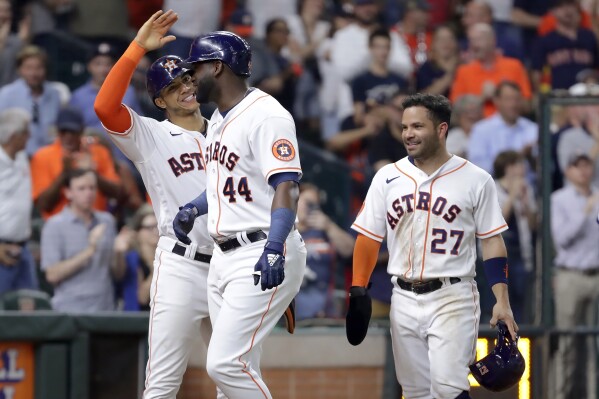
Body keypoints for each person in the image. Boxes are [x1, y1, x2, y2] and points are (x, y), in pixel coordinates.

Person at [346, 93, 518, 398]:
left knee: (448, 386)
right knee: (414, 392)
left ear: (441, 129)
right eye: (404, 127)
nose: (408, 134)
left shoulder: (475, 179)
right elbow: (369, 237)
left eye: (417, 126)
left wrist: (501, 301)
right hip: (402, 296)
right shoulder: (387, 176)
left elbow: (492, 242)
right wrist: (359, 288)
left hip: (452, 295)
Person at [173, 30, 307, 398]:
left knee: (224, 364)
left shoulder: (266, 115)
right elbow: (226, 183)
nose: (189, 78)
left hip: (260, 249)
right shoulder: (217, 117)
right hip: (224, 256)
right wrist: (193, 208)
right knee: (234, 372)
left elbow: (287, 185)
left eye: (194, 68)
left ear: (217, 67)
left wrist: (276, 247)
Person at [93, 10, 216, 399]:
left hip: (230, 264)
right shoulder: (150, 135)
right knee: (162, 382)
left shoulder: (228, 131)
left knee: (235, 376)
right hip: (181, 264)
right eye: (174, 86)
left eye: (188, 79)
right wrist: (135, 50)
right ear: (160, 100)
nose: (185, 88)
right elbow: (105, 108)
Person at [551, 152, 599, 399]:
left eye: (586, 166)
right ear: (568, 171)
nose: (583, 171)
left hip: (596, 275)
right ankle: (559, 396)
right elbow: (562, 239)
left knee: (595, 346)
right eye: (576, 166)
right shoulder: (559, 199)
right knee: (567, 343)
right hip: (570, 276)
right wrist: (585, 212)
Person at [40, 169, 122, 312]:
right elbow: (52, 275)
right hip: (70, 310)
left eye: (92, 188)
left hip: (105, 308)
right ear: (68, 192)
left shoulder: (107, 221)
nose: (88, 193)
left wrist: (119, 253)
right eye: (81, 188)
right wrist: (90, 250)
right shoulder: (54, 225)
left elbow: (118, 274)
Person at [30, 106, 123, 220]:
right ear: (58, 131)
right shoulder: (43, 156)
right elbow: (42, 205)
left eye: (73, 131)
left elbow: (118, 193)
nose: (68, 136)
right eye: (64, 131)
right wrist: (64, 174)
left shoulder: (98, 152)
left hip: (95, 222)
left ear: (82, 130)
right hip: (59, 226)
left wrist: (93, 173)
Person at [295, 183, 354, 320]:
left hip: (327, 309)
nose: (312, 209)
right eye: (308, 203)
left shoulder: (325, 230)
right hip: (294, 310)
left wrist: (329, 227)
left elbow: (350, 250)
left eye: (316, 205)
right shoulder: (284, 232)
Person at [493, 150, 537, 324]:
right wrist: (512, 195)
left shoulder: (527, 188)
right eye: (519, 165)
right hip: (498, 253)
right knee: (497, 301)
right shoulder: (493, 187)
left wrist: (525, 201)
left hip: (521, 253)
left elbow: (533, 225)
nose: (523, 169)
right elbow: (499, 221)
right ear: (508, 168)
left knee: (520, 303)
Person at [0, 109, 38, 295]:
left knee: (29, 311)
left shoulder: (22, 156)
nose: (30, 136)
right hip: (2, 249)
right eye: (26, 132)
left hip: (22, 248)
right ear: (14, 135)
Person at [0, 45, 61, 156]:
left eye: (38, 68)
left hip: (46, 156)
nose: (34, 73)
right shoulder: (6, 94)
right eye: (28, 68)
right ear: (19, 70)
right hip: (17, 157)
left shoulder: (54, 94)